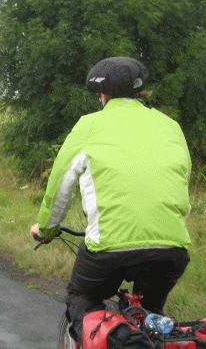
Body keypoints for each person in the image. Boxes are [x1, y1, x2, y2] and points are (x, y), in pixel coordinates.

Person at [29, 56, 192, 345]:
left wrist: (47, 228)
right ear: (141, 92)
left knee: (82, 297)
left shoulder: (89, 125)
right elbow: (181, 186)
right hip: (172, 248)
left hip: (108, 248)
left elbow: (60, 184)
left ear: (101, 95)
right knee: (150, 312)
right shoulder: (171, 126)